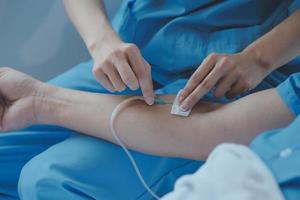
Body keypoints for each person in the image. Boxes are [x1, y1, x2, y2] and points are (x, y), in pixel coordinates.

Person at [0, 0, 300, 199]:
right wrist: (102, 41)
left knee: (51, 179)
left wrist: (258, 59)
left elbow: (209, 128)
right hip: (137, 49)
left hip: (242, 72)